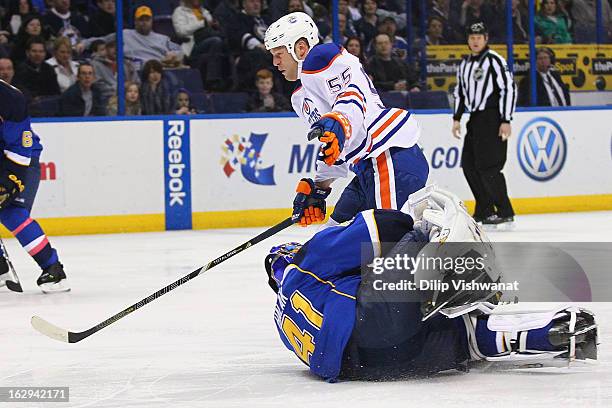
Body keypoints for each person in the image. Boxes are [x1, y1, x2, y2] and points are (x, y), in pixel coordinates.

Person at [265, 186, 598, 381]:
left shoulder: (283, 322)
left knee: (457, 336)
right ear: (290, 254)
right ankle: (465, 274)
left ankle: (542, 334)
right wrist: (418, 227)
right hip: (371, 317)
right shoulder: (306, 261)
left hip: (368, 363)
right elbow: (376, 229)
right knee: (423, 235)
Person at [265, 12, 429, 227]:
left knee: (389, 245)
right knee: (331, 236)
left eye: (278, 54)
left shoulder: (321, 57)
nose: (275, 62)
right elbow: (335, 146)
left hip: (388, 156)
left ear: (300, 48)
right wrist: (318, 189)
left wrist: (340, 121)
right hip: (366, 170)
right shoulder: (299, 98)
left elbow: (353, 93)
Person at [0, 79, 70, 292]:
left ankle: (53, 269)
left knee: (12, 212)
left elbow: (22, 144)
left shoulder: (9, 97)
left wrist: (9, 181)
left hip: (21, 159)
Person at [451, 22, 516, 228]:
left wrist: (506, 119)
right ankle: (485, 210)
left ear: (486, 39)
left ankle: (505, 211)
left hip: (493, 118)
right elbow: (460, 92)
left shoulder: (495, 60)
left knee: (489, 167)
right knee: (469, 166)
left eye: (479, 37)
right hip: (475, 119)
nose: (475, 41)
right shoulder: (465, 64)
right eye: (472, 37)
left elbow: (508, 89)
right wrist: (457, 118)